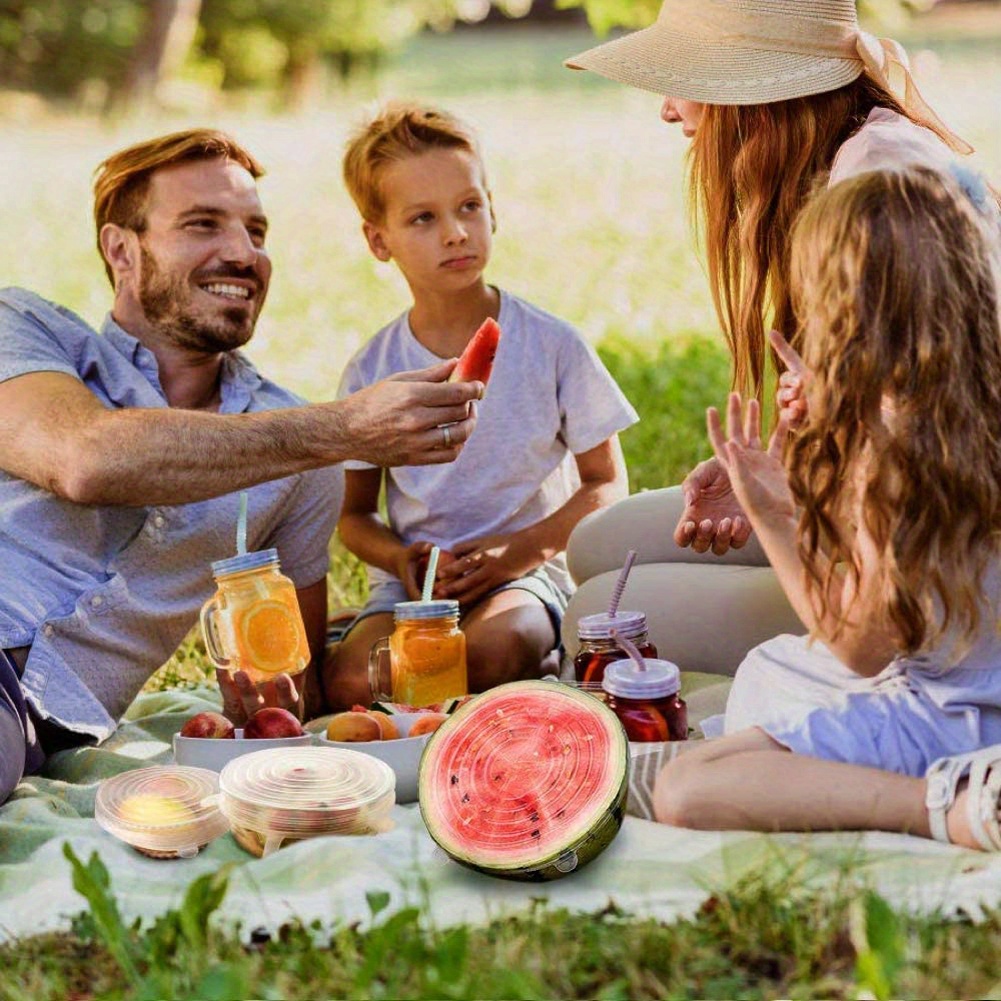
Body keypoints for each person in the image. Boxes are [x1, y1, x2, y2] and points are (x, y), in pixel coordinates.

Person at [0, 128, 484, 805]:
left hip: (30, 726)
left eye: (256, 231)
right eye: (203, 224)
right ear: (121, 250)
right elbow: (84, 459)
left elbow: (300, 691)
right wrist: (343, 427)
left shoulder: (300, 460)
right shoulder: (22, 328)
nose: (243, 253)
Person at [637, 166, 1001, 850]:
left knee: (684, 786)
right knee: (769, 670)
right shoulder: (962, 405)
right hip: (980, 685)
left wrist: (773, 510)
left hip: (957, 719)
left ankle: (942, 803)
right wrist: (831, 437)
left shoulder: (894, 449)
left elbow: (858, 646)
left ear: (843, 309)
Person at [566, 0, 999, 557]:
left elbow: (922, 453)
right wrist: (779, 469)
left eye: (680, 81)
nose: (669, 111)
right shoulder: (852, 153)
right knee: (597, 547)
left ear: (754, 98)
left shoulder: (879, 188)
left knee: (600, 604)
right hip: (880, 512)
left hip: (941, 549)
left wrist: (782, 500)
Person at [323, 103, 638, 708]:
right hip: (414, 590)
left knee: (488, 653)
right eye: (423, 218)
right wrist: (401, 559)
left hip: (527, 573)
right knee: (348, 685)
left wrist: (516, 553)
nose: (455, 232)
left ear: (493, 208)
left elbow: (606, 483)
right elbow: (353, 517)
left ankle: (544, 652)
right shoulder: (371, 369)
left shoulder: (553, 344)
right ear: (378, 239)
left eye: (469, 206)